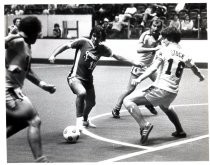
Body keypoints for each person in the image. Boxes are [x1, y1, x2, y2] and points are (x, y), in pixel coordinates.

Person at [49, 25, 142, 131]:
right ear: (91, 34)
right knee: (82, 93)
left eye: (99, 37)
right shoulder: (83, 42)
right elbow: (65, 46)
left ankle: (85, 120)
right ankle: (79, 124)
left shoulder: (102, 48)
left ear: (102, 38)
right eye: (94, 35)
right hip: (75, 77)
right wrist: (53, 55)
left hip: (88, 80)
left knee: (91, 103)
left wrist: (133, 61)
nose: (95, 39)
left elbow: (116, 56)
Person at [123, 27, 205, 144]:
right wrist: (201, 77)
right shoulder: (185, 53)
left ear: (169, 39)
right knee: (165, 106)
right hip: (173, 92)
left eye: (163, 38)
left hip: (160, 89)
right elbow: (195, 68)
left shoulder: (164, 50)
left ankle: (144, 125)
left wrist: (139, 78)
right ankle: (180, 130)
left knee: (128, 100)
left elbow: (153, 68)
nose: (162, 40)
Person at [6, 16, 56, 162]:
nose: (39, 37)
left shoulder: (26, 44)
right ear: (32, 32)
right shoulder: (19, 41)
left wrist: (42, 85)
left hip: (12, 90)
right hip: (6, 90)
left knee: (20, 122)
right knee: (34, 119)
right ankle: (41, 161)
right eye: (38, 33)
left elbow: (26, 71)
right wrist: (9, 37)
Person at [112, 19, 163, 118]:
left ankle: (148, 103)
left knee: (159, 84)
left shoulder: (161, 36)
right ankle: (116, 108)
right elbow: (138, 50)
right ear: (150, 26)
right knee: (130, 89)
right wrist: (154, 49)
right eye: (154, 26)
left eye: (158, 27)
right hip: (139, 65)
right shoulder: (145, 35)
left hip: (150, 66)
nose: (155, 29)